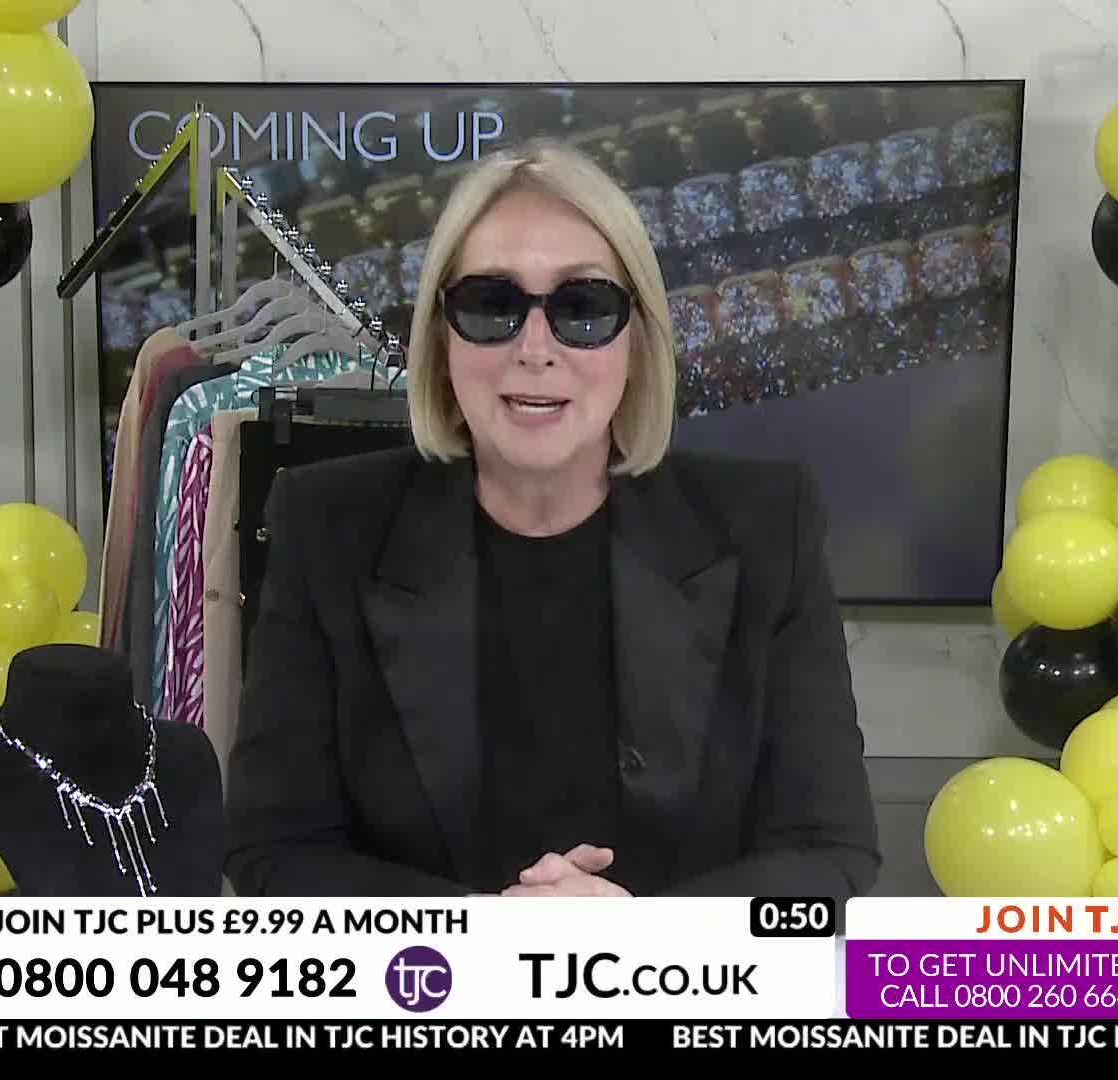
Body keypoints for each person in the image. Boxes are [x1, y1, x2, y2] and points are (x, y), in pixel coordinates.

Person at [224, 138, 880, 898]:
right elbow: (276, 851)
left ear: (639, 339)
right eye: (492, 306)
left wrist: (640, 942)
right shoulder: (327, 525)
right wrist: (494, 940)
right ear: (440, 339)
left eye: (584, 308)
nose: (536, 349)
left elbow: (828, 854)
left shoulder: (769, 525)